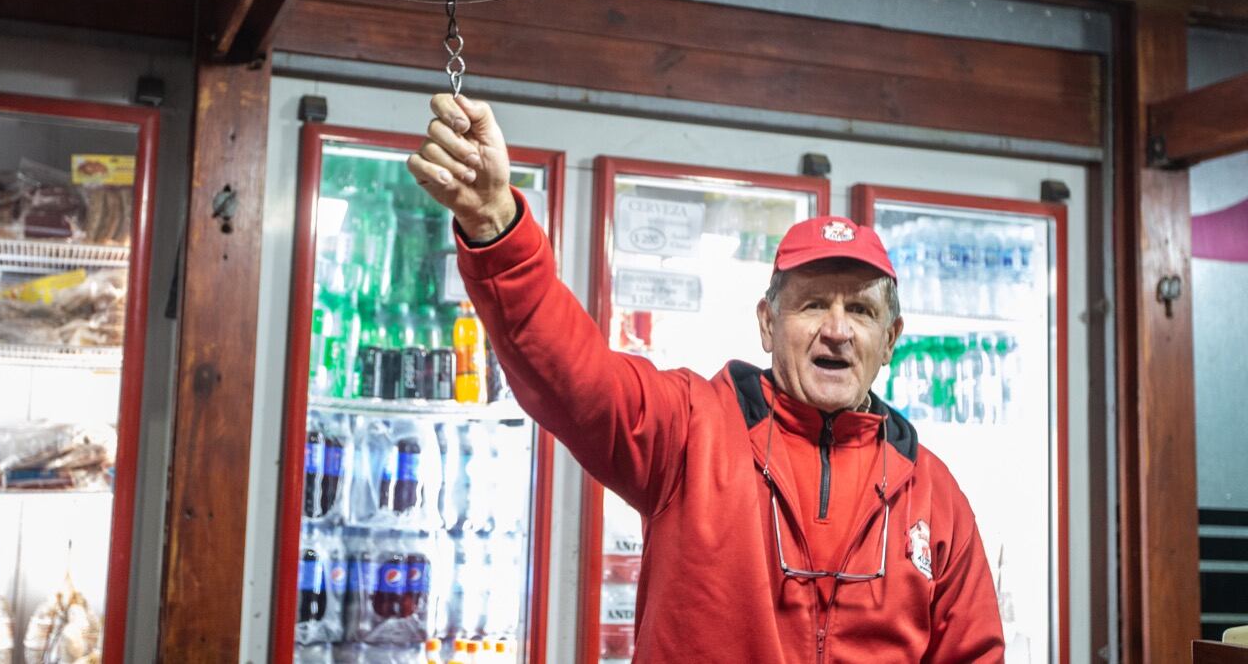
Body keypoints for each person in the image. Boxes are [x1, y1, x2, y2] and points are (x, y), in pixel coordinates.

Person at [408, 92, 1004, 662]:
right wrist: (495, 225)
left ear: (890, 341)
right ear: (767, 325)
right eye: (813, 304)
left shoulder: (934, 495)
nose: (838, 329)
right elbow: (571, 376)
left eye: (863, 311)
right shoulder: (690, 429)